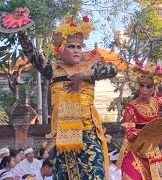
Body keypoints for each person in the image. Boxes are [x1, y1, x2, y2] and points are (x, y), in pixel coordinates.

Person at [17, 8, 118, 179]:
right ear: (61, 50)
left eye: (79, 47)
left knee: (95, 175)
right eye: (71, 46)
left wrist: (84, 75)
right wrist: (21, 28)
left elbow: (113, 69)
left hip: (88, 132)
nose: (77, 50)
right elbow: (32, 55)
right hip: (63, 135)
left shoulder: (90, 68)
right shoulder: (53, 70)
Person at [118, 62, 162, 180]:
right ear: (138, 86)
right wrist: (144, 132)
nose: (144, 90)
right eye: (141, 85)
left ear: (154, 88)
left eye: (148, 86)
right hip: (133, 150)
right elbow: (129, 133)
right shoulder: (131, 107)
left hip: (150, 151)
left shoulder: (157, 102)